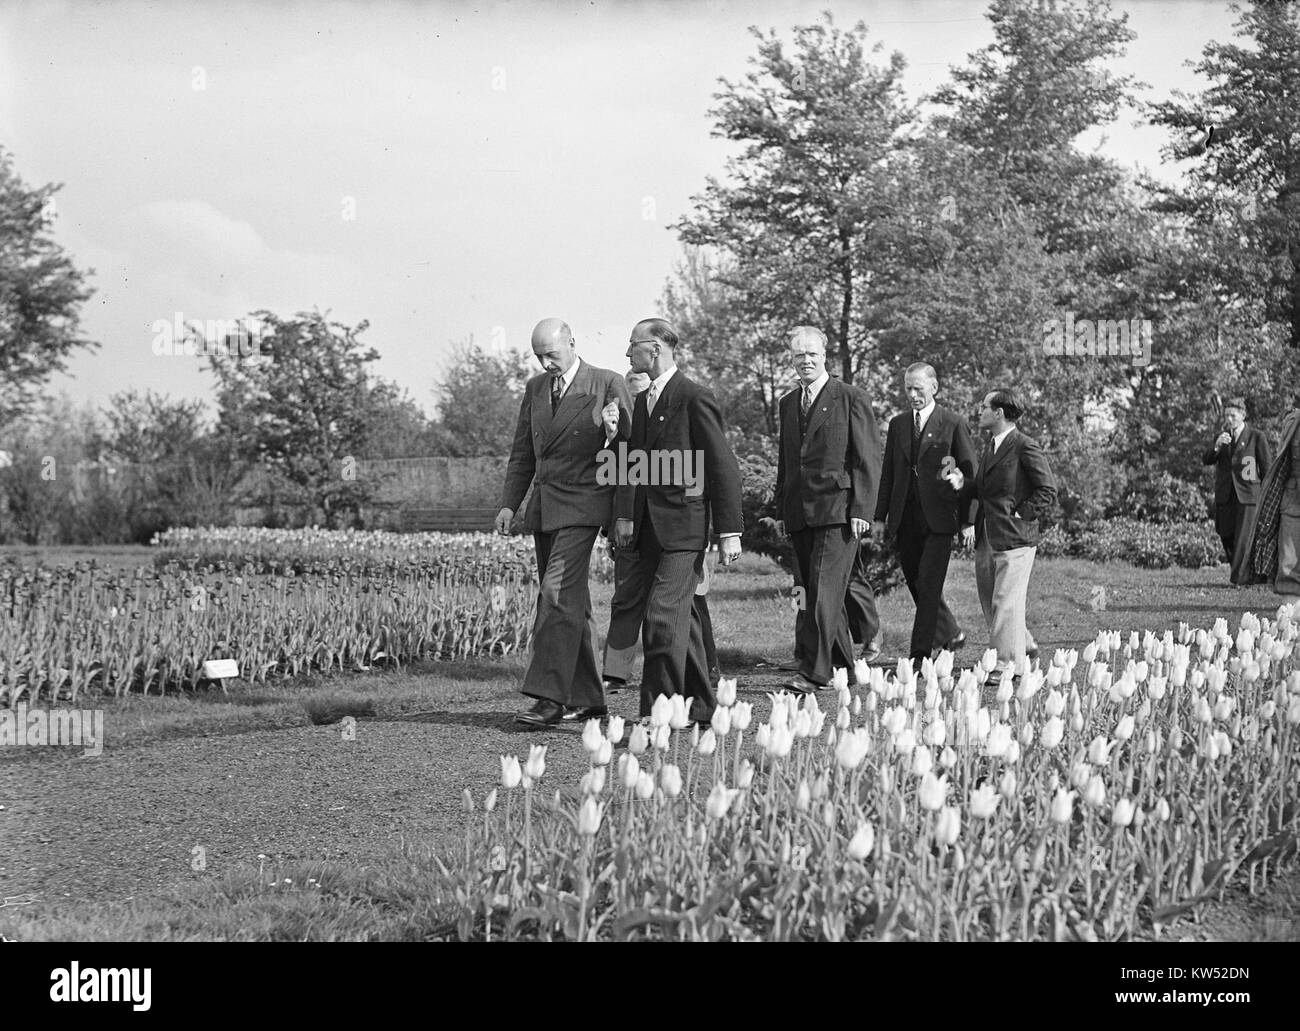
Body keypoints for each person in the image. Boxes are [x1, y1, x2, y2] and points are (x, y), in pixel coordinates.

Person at [496, 318, 631, 727]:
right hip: (544, 508)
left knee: (555, 594)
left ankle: (548, 698)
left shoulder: (606, 382)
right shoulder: (535, 389)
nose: (545, 363)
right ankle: (590, 699)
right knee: (573, 604)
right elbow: (523, 452)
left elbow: (628, 449)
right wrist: (509, 505)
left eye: (551, 354)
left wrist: (622, 511)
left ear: (572, 343)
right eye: (539, 356)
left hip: (585, 505)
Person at [612, 318, 743, 725]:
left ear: (654, 349)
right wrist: (625, 517)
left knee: (662, 617)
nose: (627, 353)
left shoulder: (693, 397)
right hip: (650, 531)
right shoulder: (643, 400)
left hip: (684, 530)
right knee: (680, 625)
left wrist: (729, 531)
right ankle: (702, 708)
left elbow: (721, 466)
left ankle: (661, 713)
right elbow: (635, 465)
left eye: (632, 345)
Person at [601, 370, 721, 697]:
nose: (636, 405)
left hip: (675, 526)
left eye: (641, 395)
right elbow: (618, 471)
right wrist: (612, 438)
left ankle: (704, 677)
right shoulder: (631, 424)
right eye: (630, 398)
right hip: (632, 530)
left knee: (684, 607)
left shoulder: (685, 411)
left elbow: (699, 474)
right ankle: (616, 672)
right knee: (626, 600)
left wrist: (698, 526)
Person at [773, 327, 879, 693]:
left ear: (825, 357)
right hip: (800, 512)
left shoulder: (850, 397)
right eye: (798, 355)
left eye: (812, 354)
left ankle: (815, 673)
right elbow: (787, 461)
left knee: (822, 593)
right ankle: (844, 669)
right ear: (791, 359)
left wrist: (862, 508)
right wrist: (783, 509)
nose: (805, 360)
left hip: (839, 511)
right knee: (808, 592)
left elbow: (867, 458)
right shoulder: (788, 403)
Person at [872, 362, 976, 669]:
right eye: (908, 388)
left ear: (934, 388)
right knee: (917, 583)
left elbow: (970, 475)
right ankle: (951, 633)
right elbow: (889, 473)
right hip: (905, 518)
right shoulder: (898, 424)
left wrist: (969, 520)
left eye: (919, 388)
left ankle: (919, 657)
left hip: (941, 519)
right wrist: (880, 517)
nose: (913, 394)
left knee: (929, 585)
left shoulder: (953, 423)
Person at [951, 388, 1057, 679]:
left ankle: (1005, 664)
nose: (979, 411)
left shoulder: (1025, 445)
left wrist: (1021, 514)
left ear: (999, 413)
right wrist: (964, 484)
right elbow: (986, 491)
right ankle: (1027, 648)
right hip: (988, 536)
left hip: (1015, 539)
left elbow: (1047, 490)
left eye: (984, 406)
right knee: (991, 601)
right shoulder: (992, 446)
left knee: (1004, 601)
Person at [1202, 398, 1271, 586]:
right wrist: (1216, 446)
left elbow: (1267, 469)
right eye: (1227, 416)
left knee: (1243, 537)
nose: (1229, 419)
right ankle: (1250, 575)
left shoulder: (1256, 437)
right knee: (1225, 533)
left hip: (1248, 495)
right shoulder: (1222, 437)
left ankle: (1239, 579)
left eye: (1233, 415)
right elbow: (1206, 459)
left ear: (1243, 415)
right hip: (1226, 494)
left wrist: (1268, 496)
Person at [1249, 404, 1300, 595]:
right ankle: (1291, 605)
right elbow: (1283, 462)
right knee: (1289, 558)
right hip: (1293, 497)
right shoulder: (1293, 421)